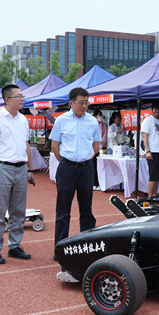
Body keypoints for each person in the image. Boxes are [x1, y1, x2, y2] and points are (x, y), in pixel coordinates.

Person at [50, 87, 100, 277]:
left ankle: (88, 247)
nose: (84, 106)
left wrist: (85, 159)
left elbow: (96, 145)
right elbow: (55, 145)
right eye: (81, 102)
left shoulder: (92, 121)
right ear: (71, 103)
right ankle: (59, 249)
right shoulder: (61, 120)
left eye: (87, 102)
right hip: (67, 168)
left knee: (87, 210)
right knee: (63, 211)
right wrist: (66, 162)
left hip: (86, 168)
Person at [0, 85, 35, 265]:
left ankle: (14, 246)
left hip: (21, 168)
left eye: (22, 96)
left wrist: (30, 169)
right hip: (2, 168)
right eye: (18, 96)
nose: (22, 99)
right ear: (7, 100)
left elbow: (26, 145)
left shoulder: (23, 119)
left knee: (18, 211)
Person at [141, 101, 159, 197]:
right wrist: (148, 151)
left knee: (158, 178)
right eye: (155, 109)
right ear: (152, 110)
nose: (157, 111)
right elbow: (145, 136)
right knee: (153, 177)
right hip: (153, 152)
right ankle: (150, 197)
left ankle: (155, 196)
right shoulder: (148, 120)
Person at [91, 110, 108, 191]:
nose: (100, 117)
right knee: (93, 166)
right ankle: (94, 183)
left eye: (101, 115)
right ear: (95, 116)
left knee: (101, 167)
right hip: (92, 148)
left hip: (102, 149)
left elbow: (104, 138)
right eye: (99, 115)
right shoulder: (91, 125)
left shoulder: (104, 125)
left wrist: (100, 145)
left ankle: (100, 183)